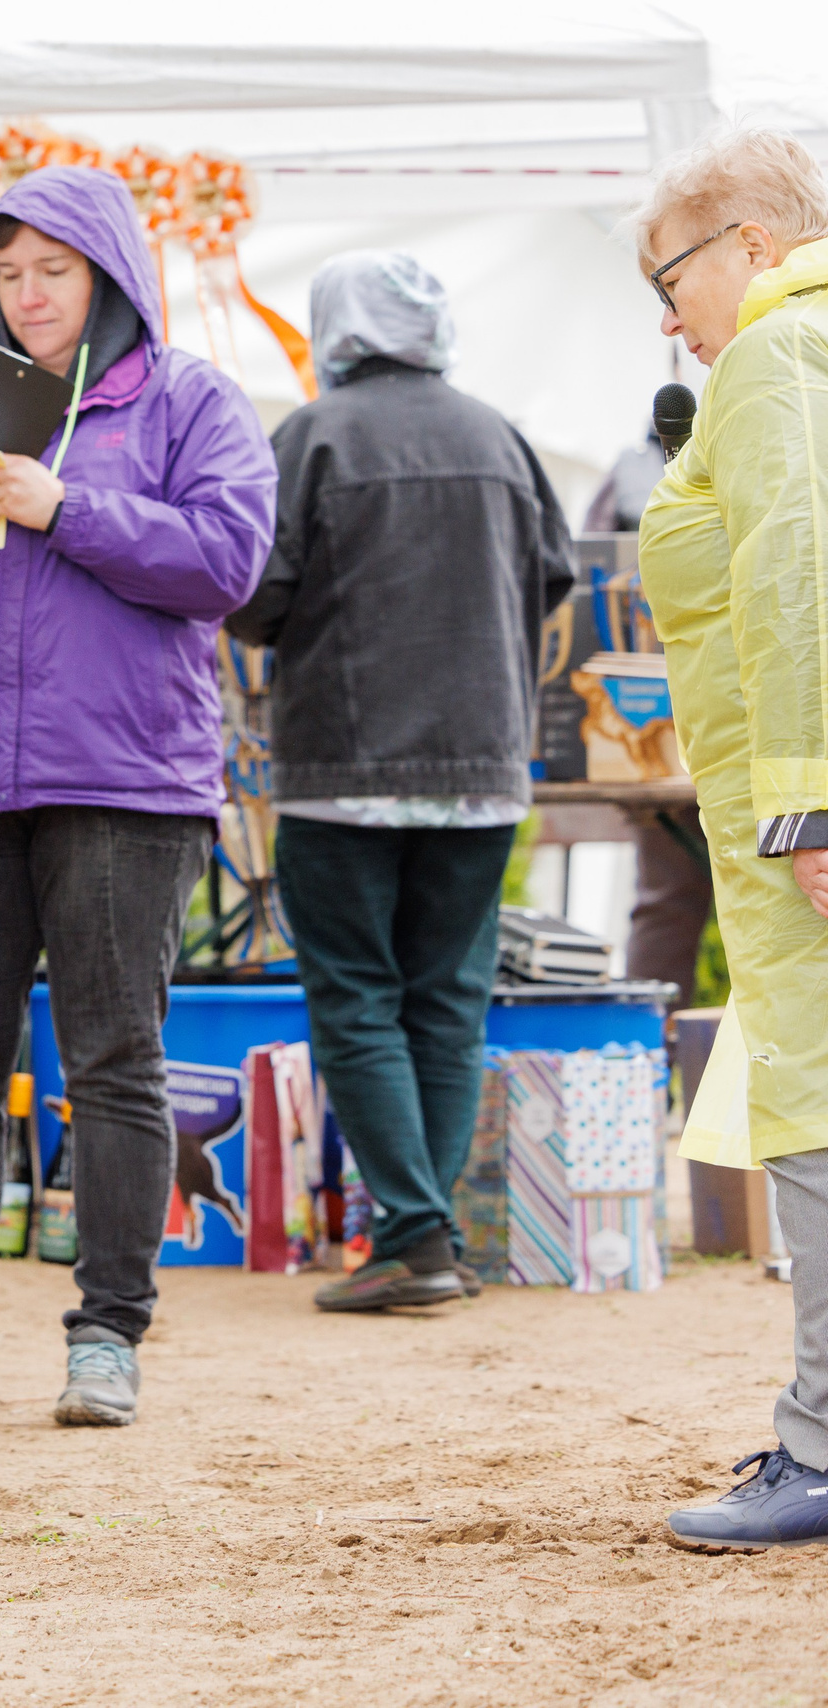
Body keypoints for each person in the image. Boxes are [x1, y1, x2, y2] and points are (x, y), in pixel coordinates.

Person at [0, 165, 275, 1431]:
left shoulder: (188, 400)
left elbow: (226, 563)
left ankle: (107, 1338)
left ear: (109, 273)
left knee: (115, 1062)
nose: (28, 295)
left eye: (53, 271)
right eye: (9, 273)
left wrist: (61, 504)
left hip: (128, 779)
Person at [225, 253, 575, 1313]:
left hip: (345, 767)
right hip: (482, 766)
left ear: (337, 325)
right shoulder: (499, 436)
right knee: (448, 1003)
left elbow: (254, 595)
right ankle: (433, 1236)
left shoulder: (313, 435)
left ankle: (414, 1236)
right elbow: (555, 575)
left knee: (357, 997)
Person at [630, 125, 828, 1551]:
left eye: (669, 277)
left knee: (817, 1107)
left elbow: (795, 575)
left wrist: (810, 801)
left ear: (753, 244)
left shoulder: (772, 356)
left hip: (793, 806)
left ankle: (821, 1444)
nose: (666, 317)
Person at [586, 422, 715, 1012]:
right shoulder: (777, 450)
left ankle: (652, 1050)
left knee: (667, 901)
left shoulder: (630, 478)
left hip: (656, 725)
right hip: (686, 723)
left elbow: (584, 583)